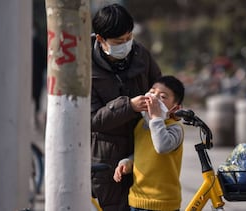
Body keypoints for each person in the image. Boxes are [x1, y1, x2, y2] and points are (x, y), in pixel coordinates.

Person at [90, 3, 162, 211]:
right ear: (101, 39)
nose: (126, 44)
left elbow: (160, 83)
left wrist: (169, 100)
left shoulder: (141, 54)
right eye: (119, 41)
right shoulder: (86, 67)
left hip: (142, 151)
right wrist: (128, 106)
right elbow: (92, 119)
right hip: (107, 160)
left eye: (129, 37)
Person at [113, 75, 185, 211]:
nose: (154, 98)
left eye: (163, 97)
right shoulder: (141, 125)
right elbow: (141, 153)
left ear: (175, 108)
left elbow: (162, 147)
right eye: (152, 92)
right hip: (137, 199)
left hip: (163, 202)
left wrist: (156, 118)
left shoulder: (175, 128)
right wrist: (127, 162)